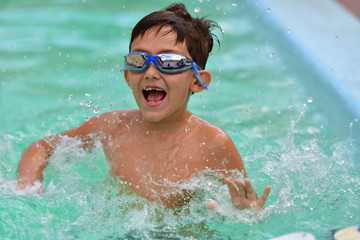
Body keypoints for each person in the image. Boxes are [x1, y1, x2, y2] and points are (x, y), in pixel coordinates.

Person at [17, 3, 271, 210]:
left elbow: (242, 204)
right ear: (128, 77)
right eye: (138, 60)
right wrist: (27, 185)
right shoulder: (113, 126)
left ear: (197, 81)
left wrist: (246, 215)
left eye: (169, 62)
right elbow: (42, 147)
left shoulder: (213, 143)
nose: (150, 72)